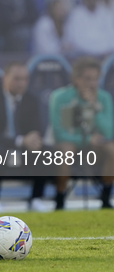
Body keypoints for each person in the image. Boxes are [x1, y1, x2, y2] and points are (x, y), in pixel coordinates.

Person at [0, 62, 48, 213]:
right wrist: (21, 141)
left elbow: (38, 128)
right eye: (17, 79)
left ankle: (36, 198)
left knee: (44, 150)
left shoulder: (32, 99)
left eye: (25, 79)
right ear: (4, 78)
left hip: (23, 148)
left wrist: (33, 139)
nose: (21, 83)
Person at [49, 57, 114, 210]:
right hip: (69, 146)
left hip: (94, 149)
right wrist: (87, 140)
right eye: (87, 79)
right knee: (66, 150)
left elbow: (108, 132)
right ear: (76, 79)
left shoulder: (103, 98)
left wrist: (94, 107)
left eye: (96, 79)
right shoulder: (61, 97)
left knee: (112, 148)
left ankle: (105, 198)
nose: (92, 84)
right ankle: (60, 199)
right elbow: (60, 133)